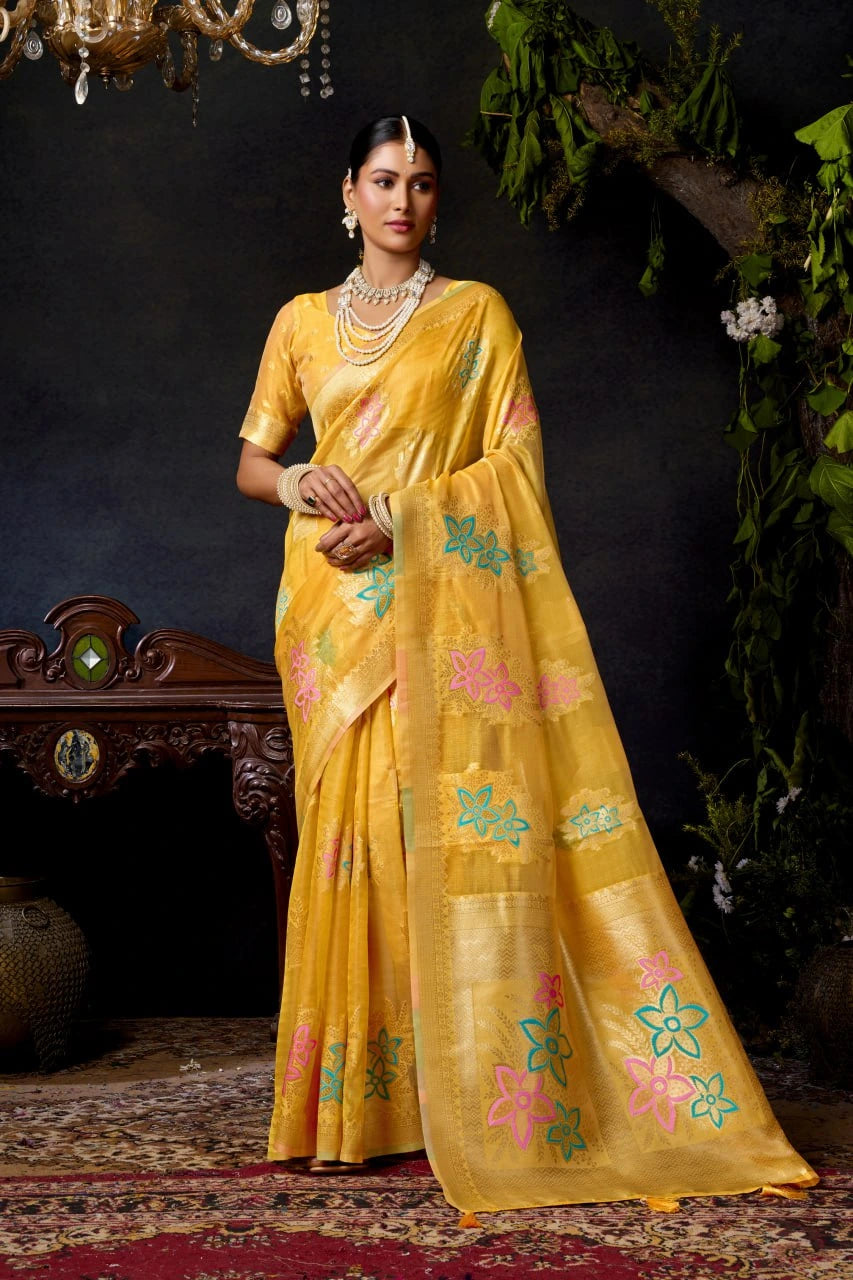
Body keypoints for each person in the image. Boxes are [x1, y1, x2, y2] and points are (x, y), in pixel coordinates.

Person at [236, 115, 816, 1214]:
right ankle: (352, 1102)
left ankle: (448, 1094)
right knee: (348, 838)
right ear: (347, 194)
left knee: (436, 829)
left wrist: (405, 519)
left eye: (420, 183)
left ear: (435, 201)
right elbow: (253, 461)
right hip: (328, 613)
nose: (401, 200)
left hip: (435, 605)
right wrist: (301, 484)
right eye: (381, 180)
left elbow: (513, 466)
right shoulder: (301, 324)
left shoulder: (475, 318)